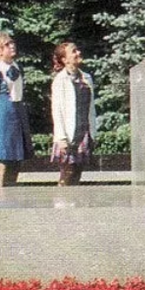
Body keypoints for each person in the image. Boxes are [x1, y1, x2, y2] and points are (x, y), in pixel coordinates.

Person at [0, 32, 33, 187]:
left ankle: (12, 197)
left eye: (12, 43)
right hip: (3, 118)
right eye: (7, 45)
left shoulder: (17, 67)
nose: (12, 46)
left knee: (16, 162)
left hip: (18, 116)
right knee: (2, 164)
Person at [49, 42, 97, 186]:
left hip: (83, 131)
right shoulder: (60, 80)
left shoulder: (86, 78)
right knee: (67, 173)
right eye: (74, 51)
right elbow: (57, 111)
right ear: (64, 59)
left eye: (78, 50)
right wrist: (61, 138)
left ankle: (74, 205)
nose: (78, 53)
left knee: (77, 172)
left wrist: (93, 132)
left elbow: (91, 107)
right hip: (69, 134)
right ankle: (62, 205)